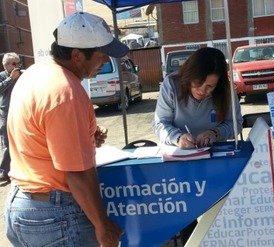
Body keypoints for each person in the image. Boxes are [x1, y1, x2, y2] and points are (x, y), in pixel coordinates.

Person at [5, 12, 129, 247]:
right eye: (102, 56)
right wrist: (103, 226)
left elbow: (39, 134)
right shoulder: (66, 92)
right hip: (54, 215)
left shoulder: (34, 74)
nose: (105, 62)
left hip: (22, 205)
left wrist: (86, 135)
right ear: (77, 55)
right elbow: (77, 173)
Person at [152, 47, 242, 245]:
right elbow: (159, 123)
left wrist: (215, 133)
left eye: (210, 86)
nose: (203, 90)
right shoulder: (172, 84)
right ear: (189, 75)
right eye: (199, 83)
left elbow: (235, 124)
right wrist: (178, 137)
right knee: (186, 214)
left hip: (215, 160)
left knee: (219, 210)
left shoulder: (226, 89)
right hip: (180, 162)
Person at [0, 52, 21, 182]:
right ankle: (4, 172)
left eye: (18, 63)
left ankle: (20, 169)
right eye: (14, 63)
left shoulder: (21, 76)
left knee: (22, 141)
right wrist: (10, 79)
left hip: (20, 112)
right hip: (6, 113)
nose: (17, 66)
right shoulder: (2, 76)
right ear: (6, 65)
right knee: (7, 144)